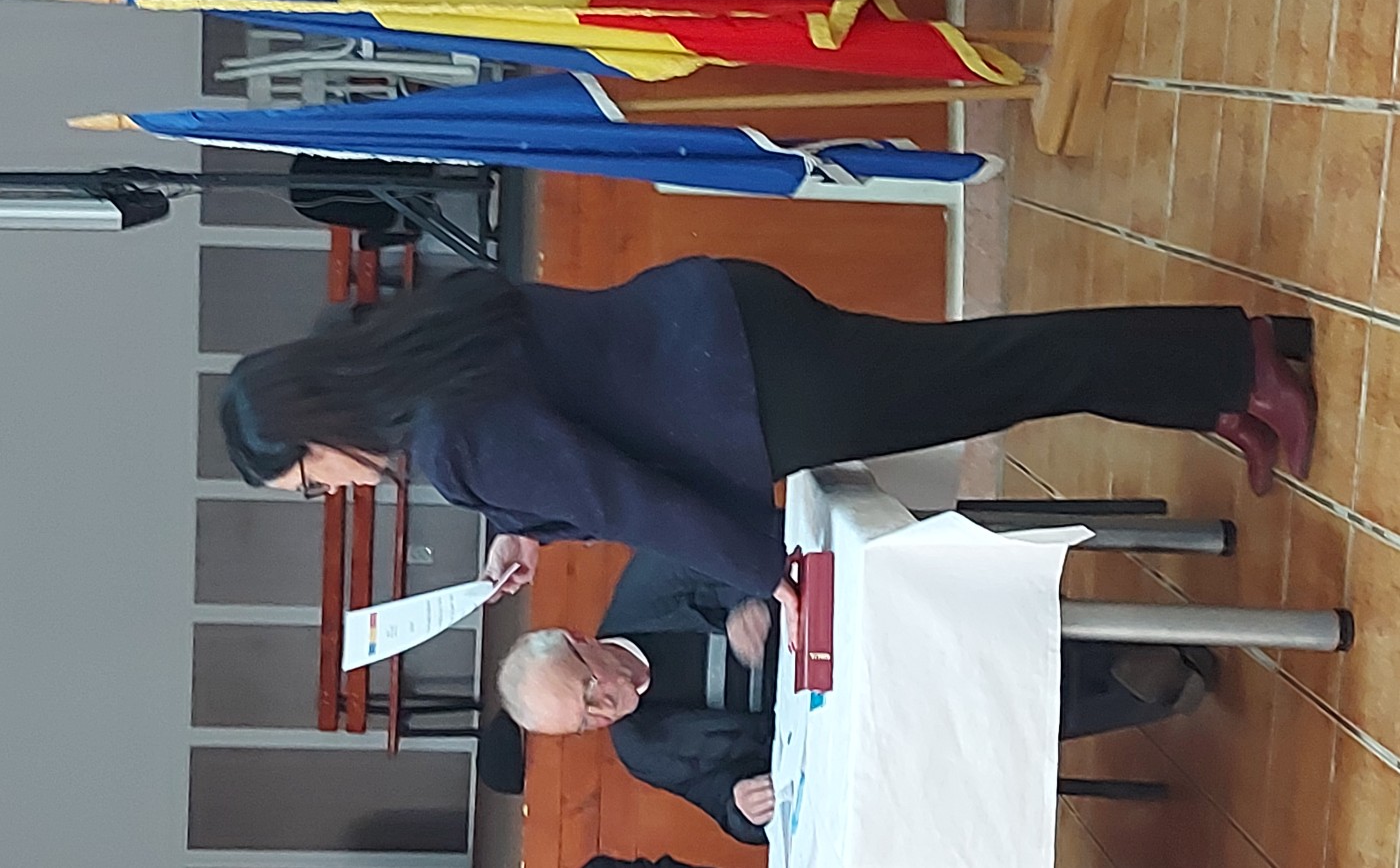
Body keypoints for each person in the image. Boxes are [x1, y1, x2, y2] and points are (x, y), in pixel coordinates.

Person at [220, 256, 1315, 630]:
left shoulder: (446, 441)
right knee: (997, 371)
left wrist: (764, 569)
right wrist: (525, 530)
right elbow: (567, 423)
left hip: (751, 392)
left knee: (1002, 372)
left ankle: (1240, 357)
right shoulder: (418, 344)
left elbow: (621, 496)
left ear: (315, 429)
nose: (332, 494)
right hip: (724, 325)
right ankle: (1213, 393)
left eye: (309, 482)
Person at [495, 551, 1215, 845]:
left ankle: (1118, 660)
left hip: (857, 634)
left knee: (948, 648)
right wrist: (741, 805)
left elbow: (765, 540)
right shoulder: (642, 750)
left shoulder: (651, 582)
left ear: (582, 642)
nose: (606, 709)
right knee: (948, 738)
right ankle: (1131, 689)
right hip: (851, 730)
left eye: (590, 691)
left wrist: (758, 599)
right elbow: (725, 808)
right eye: (585, 722)